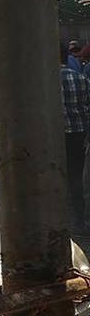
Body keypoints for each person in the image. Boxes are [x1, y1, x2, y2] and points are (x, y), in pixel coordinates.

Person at [60, 45, 90, 226]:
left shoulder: (40, 82)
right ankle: (80, 215)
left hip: (54, 136)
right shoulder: (81, 78)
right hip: (81, 134)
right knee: (78, 176)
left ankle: (61, 212)